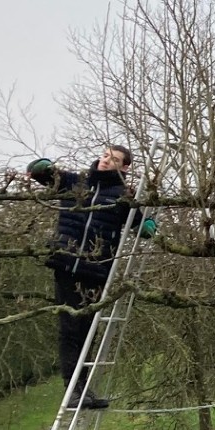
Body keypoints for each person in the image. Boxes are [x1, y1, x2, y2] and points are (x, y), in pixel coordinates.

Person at [27, 146, 137, 408]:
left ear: (124, 168)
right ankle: (72, 391)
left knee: (88, 332)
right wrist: (41, 166)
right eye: (106, 155)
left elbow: (138, 222)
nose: (106, 161)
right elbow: (38, 172)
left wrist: (146, 224)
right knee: (70, 329)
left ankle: (84, 390)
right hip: (66, 264)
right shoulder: (74, 182)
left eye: (114, 160)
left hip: (97, 271)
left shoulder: (123, 196)